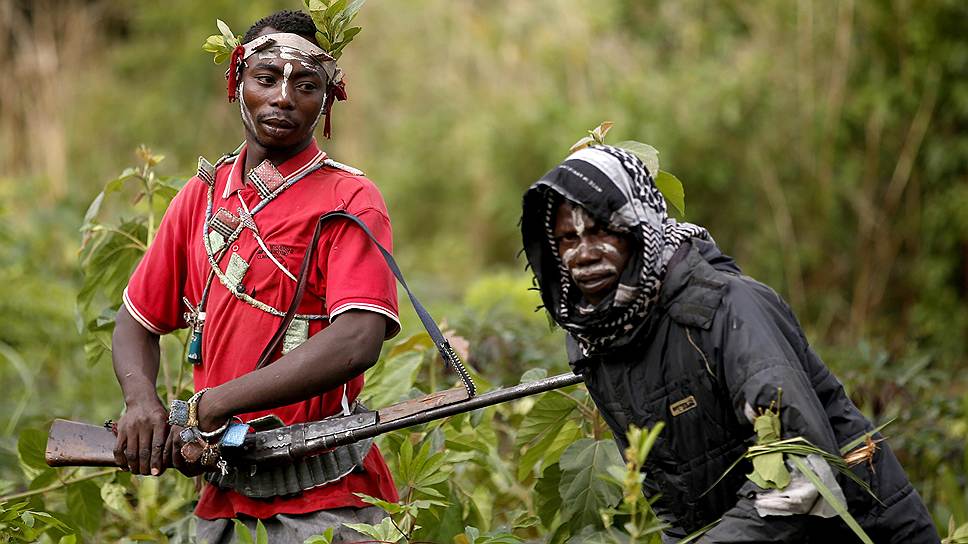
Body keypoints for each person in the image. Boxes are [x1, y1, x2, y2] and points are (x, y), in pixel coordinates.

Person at [520, 144, 940, 542]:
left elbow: (801, 469)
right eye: (568, 239)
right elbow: (673, 498)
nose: (585, 253)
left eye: (601, 231)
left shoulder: (726, 309)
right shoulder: (596, 342)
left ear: (638, 227)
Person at [111, 9, 399, 543]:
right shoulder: (201, 195)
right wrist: (141, 402)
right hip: (223, 497)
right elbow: (135, 320)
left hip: (327, 492)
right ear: (237, 81)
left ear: (329, 98)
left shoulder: (351, 199)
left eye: (306, 85)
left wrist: (215, 404)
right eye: (266, 79)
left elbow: (358, 339)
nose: (284, 98)